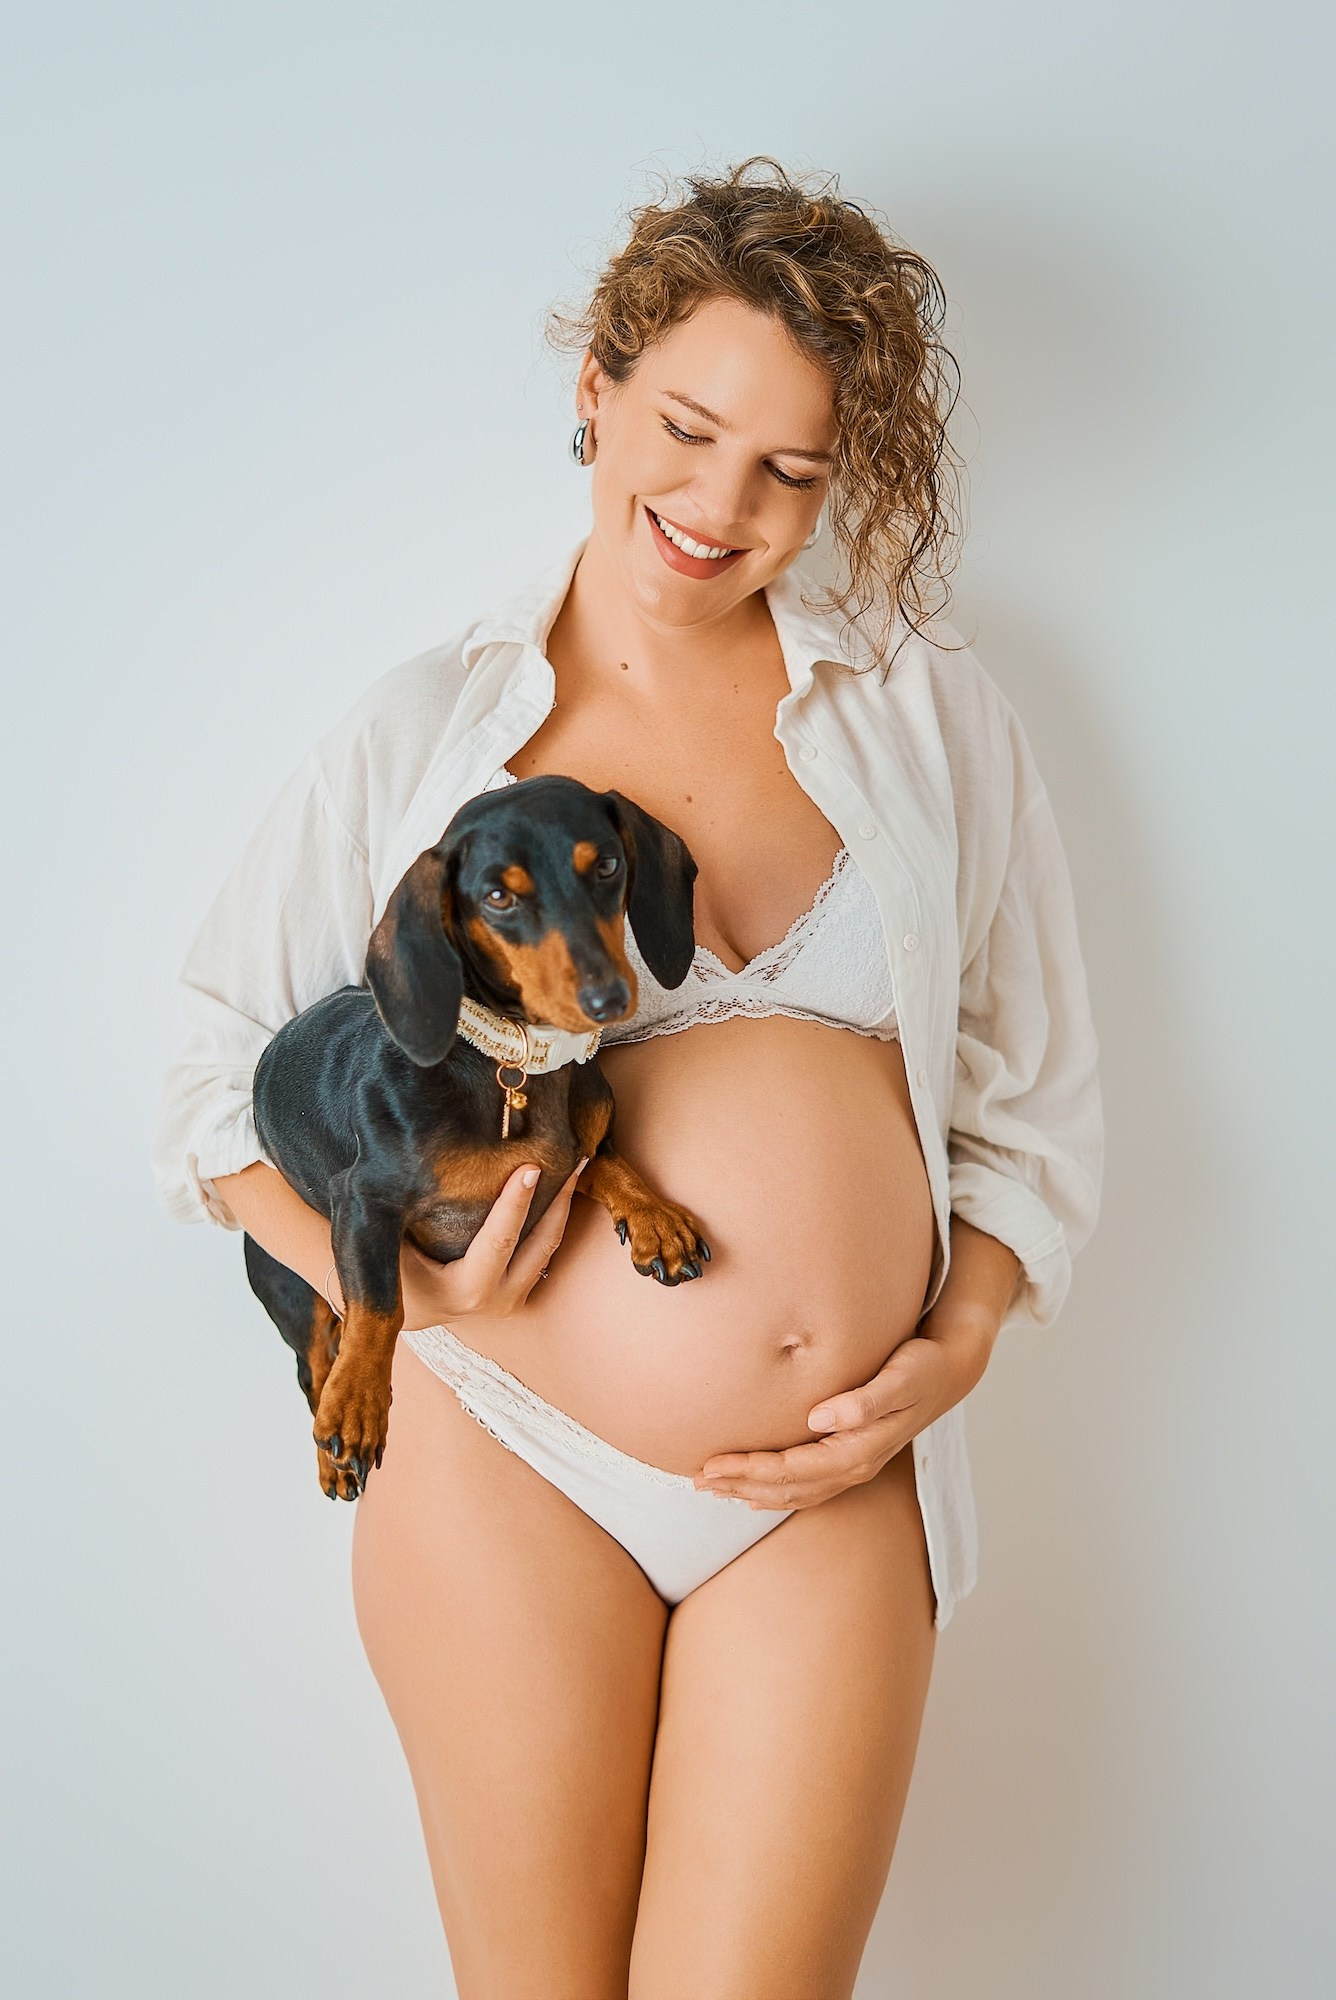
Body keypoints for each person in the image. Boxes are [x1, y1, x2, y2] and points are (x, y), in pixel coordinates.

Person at [152, 157, 1103, 1999]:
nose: (720, 503)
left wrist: (960, 1339)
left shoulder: (923, 705)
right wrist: (406, 1306)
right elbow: (208, 1083)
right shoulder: (428, 728)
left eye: (793, 472)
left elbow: (1037, 1093)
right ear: (594, 385)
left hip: (829, 1487)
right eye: (685, 426)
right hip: (504, 1459)